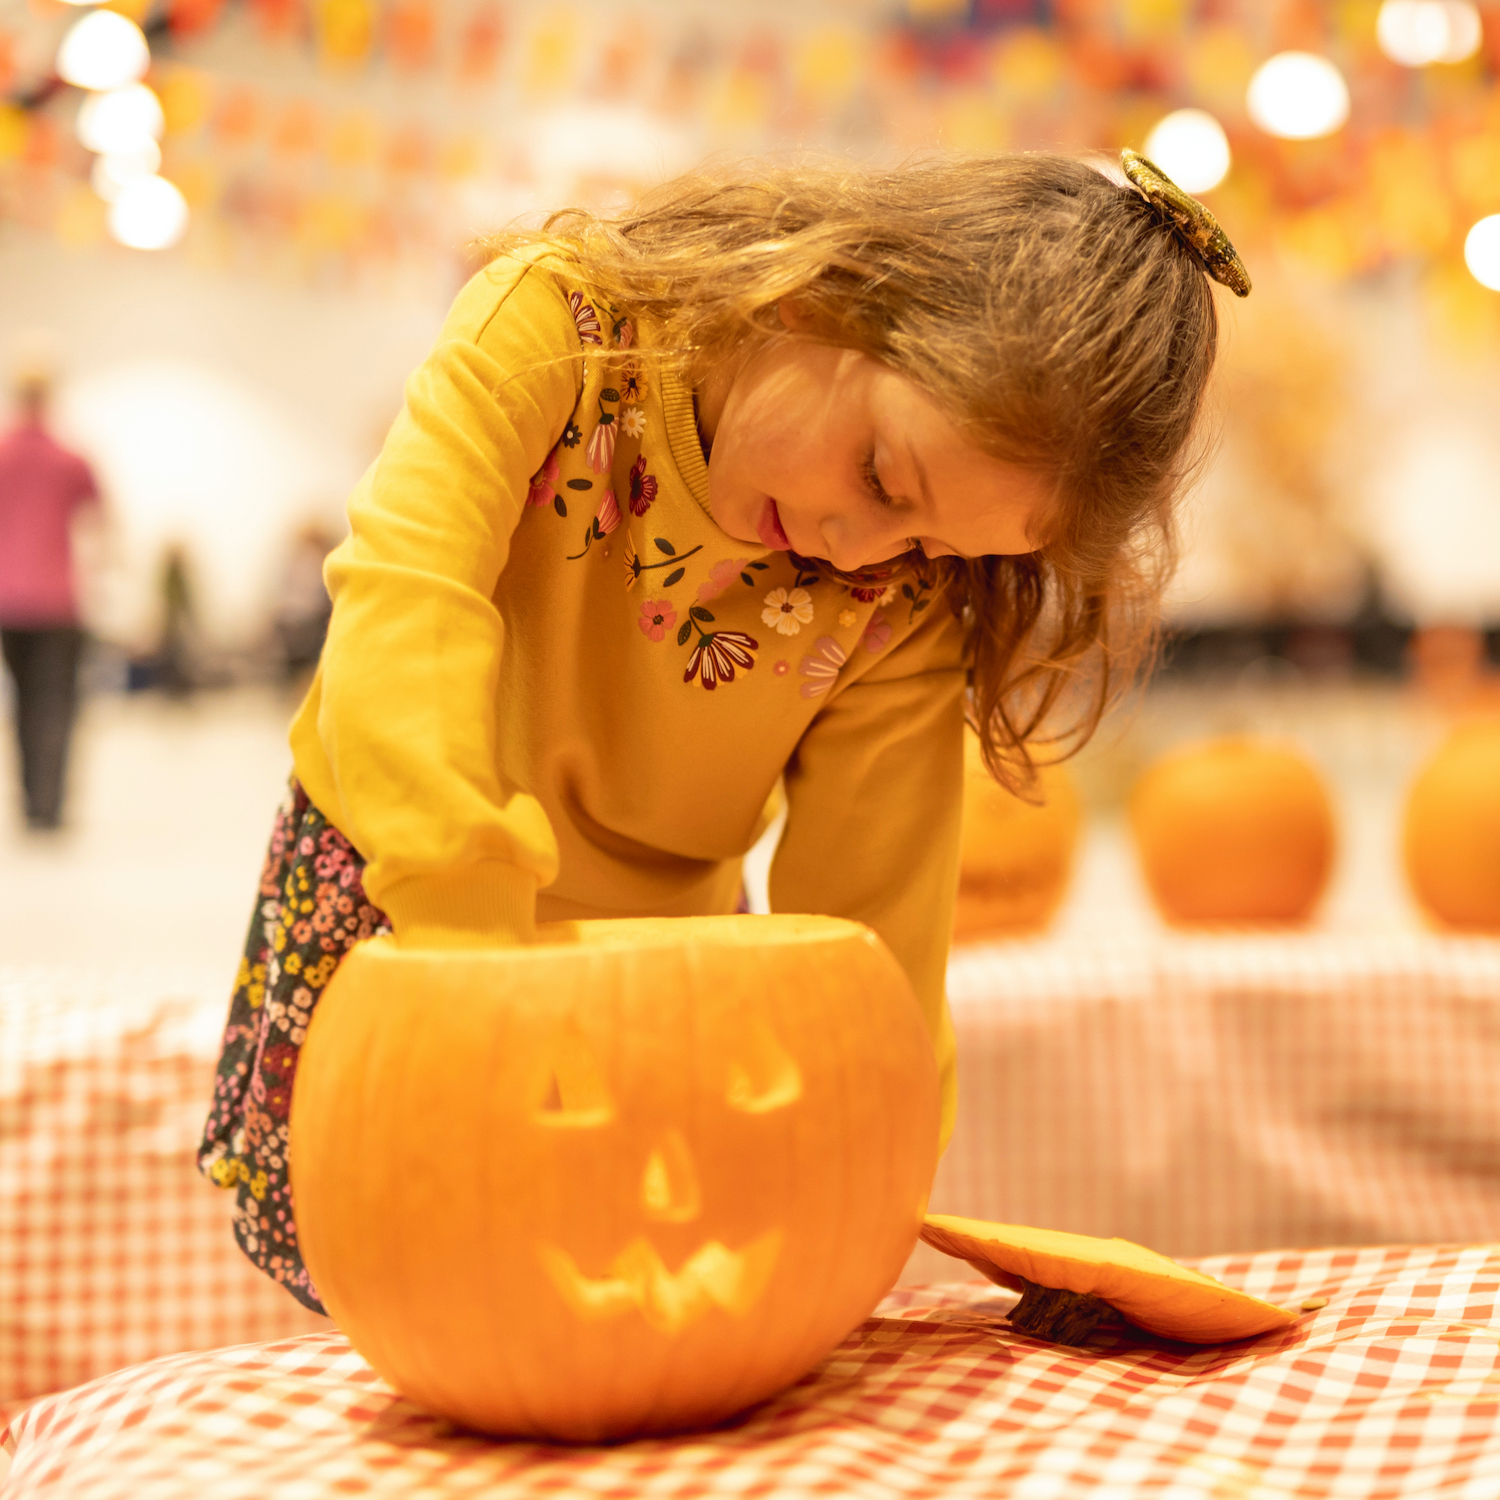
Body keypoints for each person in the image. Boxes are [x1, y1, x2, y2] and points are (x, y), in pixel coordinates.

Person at [198, 150, 1247, 1312]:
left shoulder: (895, 604)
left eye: (934, 548)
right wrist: (461, 908)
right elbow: (409, 592)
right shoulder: (558, 327)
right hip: (402, 896)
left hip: (672, 964)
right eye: (885, 479)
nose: (860, 553)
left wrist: (881, 1165)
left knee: (625, 1300)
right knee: (421, 1293)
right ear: (816, 293)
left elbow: (876, 932)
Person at [0, 369, 99, 831]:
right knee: (56, 703)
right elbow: (100, 522)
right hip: (58, 600)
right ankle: (49, 805)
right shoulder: (70, 459)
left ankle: (28, 803)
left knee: (21, 703)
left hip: (9, 601)